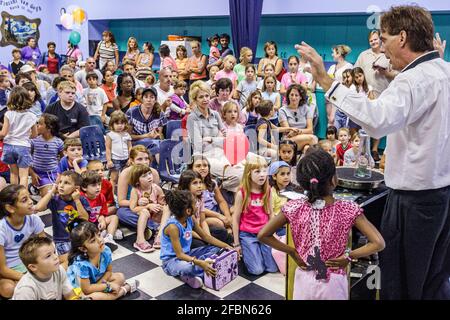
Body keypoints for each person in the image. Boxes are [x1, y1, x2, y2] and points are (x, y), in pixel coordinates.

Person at [298, 5, 450, 300]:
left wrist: (327, 81)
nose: (382, 47)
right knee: (433, 278)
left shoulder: (412, 81)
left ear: (402, 37)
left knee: (402, 282)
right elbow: (421, 102)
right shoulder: (443, 70)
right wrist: (395, 77)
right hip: (442, 196)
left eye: (385, 37)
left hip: (413, 203)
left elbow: (377, 121)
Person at [258, 149, 385, 300]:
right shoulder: (348, 209)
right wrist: (349, 256)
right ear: (333, 180)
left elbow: (263, 235)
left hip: (303, 280)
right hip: (334, 283)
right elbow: (378, 243)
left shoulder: (293, 207)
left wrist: (292, 252)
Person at [160, 190, 232, 289]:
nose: (197, 205)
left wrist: (227, 246)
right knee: (187, 268)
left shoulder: (190, 219)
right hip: (172, 261)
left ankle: (201, 270)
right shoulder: (173, 227)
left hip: (188, 255)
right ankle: (200, 269)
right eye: (195, 204)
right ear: (188, 211)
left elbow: (206, 237)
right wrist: (198, 262)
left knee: (216, 249)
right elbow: (179, 255)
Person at [66, 221, 138, 299]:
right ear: (83, 248)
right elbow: (86, 289)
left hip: (97, 282)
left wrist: (101, 285)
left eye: (99, 235)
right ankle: (124, 290)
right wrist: (108, 286)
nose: (100, 240)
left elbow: (109, 271)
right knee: (95, 297)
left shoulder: (105, 251)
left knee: (120, 277)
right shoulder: (81, 264)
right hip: (81, 289)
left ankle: (108, 295)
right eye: (93, 241)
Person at [232, 158, 278, 275]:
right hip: (247, 235)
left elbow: (271, 213)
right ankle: (249, 252)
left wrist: (274, 234)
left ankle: (256, 253)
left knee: (272, 268)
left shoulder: (267, 190)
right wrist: (236, 243)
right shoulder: (241, 193)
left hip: (264, 233)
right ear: (249, 174)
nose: (262, 174)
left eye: (264, 171)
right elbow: (235, 219)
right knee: (257, 270)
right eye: (257, 172)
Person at [0, 185, 46, 298]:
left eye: (30, 197)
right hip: (9, 270)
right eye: (25, 200)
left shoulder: (34, 219)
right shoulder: (1, 228)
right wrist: (29, 278)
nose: (31, 202)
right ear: (10, 208)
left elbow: (45, 248)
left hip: (29, 264)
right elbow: (3, 269)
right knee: (8, 289)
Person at [12, 236, 79, 300]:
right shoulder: (26, 289)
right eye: (48, 256)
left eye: (54, 252)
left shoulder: (59, 270)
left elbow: (70, 295)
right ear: (33, 267)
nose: (56, 257)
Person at [0, 87, 38, 186]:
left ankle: (13, 197)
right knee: (24, 175)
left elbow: (3, 133)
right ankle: (23, 198)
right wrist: (25, 136)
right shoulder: (32, 116)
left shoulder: (8, 114)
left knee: (13, 173)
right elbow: (35, 135)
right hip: (23, 146)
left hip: (8, 146)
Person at [187, 155, 233, 236]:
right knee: (218, 223)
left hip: (216, 211)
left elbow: (221, 201)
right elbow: (198, 207)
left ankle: (232, 231)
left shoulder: (212, 183)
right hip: (201, 216)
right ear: (191, 169)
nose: (202, 168)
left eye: (205, 165)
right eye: (198, 166)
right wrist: (219, 216)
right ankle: (226, 232)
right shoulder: (190, 185)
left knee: (235, 211)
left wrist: (227, 216)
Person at [128, 165, 166, 253]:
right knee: (144, 212)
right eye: (144, 176)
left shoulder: (156, 188)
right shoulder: (136, 191)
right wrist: (147, 206)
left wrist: (159, 206)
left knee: (166, 209)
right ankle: (140, 240)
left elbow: (162, 203)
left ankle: (159, 234)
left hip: (155, 216)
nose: (149, 177)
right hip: (143, 215)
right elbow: (133, 208)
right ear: (137, 181)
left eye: (149, 174)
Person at [80, 171, 119, 251]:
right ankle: (101, 235)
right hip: (85, 224)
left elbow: (101, 213)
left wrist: (102, 221)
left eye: (99, 184)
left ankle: (109, 237)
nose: (98, 187)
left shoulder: (101, 197)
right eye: (94, 185)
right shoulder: (81, 198)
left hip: (96, 222)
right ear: (84, 188)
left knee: (114, 217)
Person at [30, 113, 64, 197]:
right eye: (37, 123)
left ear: (49, 128)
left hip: (54, 173)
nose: (37, 126)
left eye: (40, 124)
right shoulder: (34, 140)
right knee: (49, 195)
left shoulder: (58, 142)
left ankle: (37, 188)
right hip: (39, 174)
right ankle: (34, 187)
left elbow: (63, 160)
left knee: (59, 193)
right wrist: (32, 173)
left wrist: (61, 175)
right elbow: (26, 159)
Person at [126, 87, 163, 162]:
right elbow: (128, 136)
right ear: (142, 99)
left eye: (152, 97)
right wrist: (146, 136)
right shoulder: (132, 112)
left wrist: (157, 135)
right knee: (153, 144)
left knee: (160, 144)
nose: (149, 100)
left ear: (155, 100)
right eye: (146, 97)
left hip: (154, 142)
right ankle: (161, 169)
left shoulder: (160, 113)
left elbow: (159, 134)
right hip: (135, 143)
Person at [279, 84, 318, 152]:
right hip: (288, 140)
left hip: (305, 137)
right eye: (291, 95)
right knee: (313, 138)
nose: (293, 97)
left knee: (307, 148)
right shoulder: (282, 110)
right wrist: (302, 132)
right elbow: (288, 132)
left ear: (300, 97)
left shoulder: (306, 109)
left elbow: (310, 130)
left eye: (296, 95)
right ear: (288, 96)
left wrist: (298, 132)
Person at [105, 111, 132, 191]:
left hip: (126, 159)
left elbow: (130, 147)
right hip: (115, 159)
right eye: (117, 123)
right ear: (112, 124)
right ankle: (111, 196)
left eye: (122, 123)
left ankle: (124, 193)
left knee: (126, 177)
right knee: (114, 178)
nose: (120, 126)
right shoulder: (110, 135)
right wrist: (109, 160)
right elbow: (108, 148)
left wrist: (130, 158)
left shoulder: (127, 135)